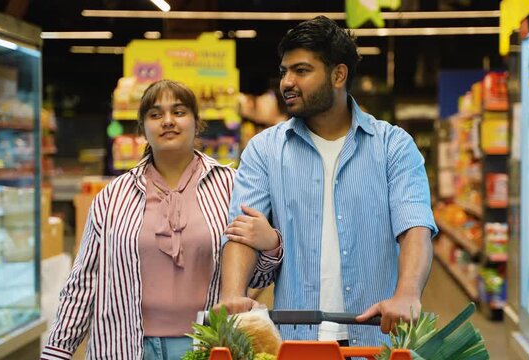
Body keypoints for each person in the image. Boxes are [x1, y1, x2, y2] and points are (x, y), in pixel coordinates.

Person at [219, 16, 438, 347]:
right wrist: (232, 296)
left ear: (338, 74)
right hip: (295, 340)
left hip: (375, 338)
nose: (287, 82)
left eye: (302, 71)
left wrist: (407, 294)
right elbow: (242, 233)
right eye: (284, 71)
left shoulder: (393, 145)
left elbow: (415, 227)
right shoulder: (265, 150)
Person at [41, 80, 281, 360]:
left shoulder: (232, 187)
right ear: (142, 128)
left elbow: (258, 277)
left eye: (179, 112)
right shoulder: (112, 198)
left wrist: (271, 244)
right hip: (125, 347)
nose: (168, 121)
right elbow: (84, 282)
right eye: (156, 115)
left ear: (196, 121)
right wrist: (57, 352)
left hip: (209, 346)